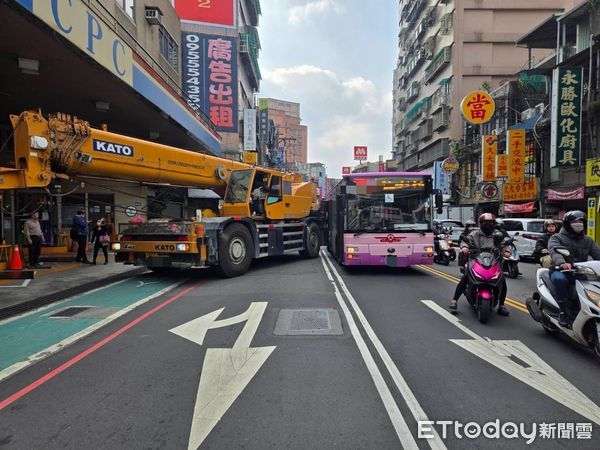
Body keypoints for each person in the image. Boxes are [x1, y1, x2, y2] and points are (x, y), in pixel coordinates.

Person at [449, 213, 509, 316]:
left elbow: (503, 244)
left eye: (490, 223)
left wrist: (506, 251)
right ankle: (454, 300)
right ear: (481, 223)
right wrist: (464, 248)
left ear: (494, 223)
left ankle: (501, 305)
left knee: (502, 281)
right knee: (466, 277)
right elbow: (465, 242)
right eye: (485, 223)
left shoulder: (497, 234)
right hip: (476, 259)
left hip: (493, 260)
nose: (488, 225)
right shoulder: (474, 234)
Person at [548, 211, 600, 327]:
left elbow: (598, 254)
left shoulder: (588, 240)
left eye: (580, 221)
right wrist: (562, 263)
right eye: (575, 222)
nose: (578, 224)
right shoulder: (556, 237)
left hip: (580, 272)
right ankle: (563, 312)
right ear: (567, 224)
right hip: (561, 270)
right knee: (560, 280)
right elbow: (555, 251)